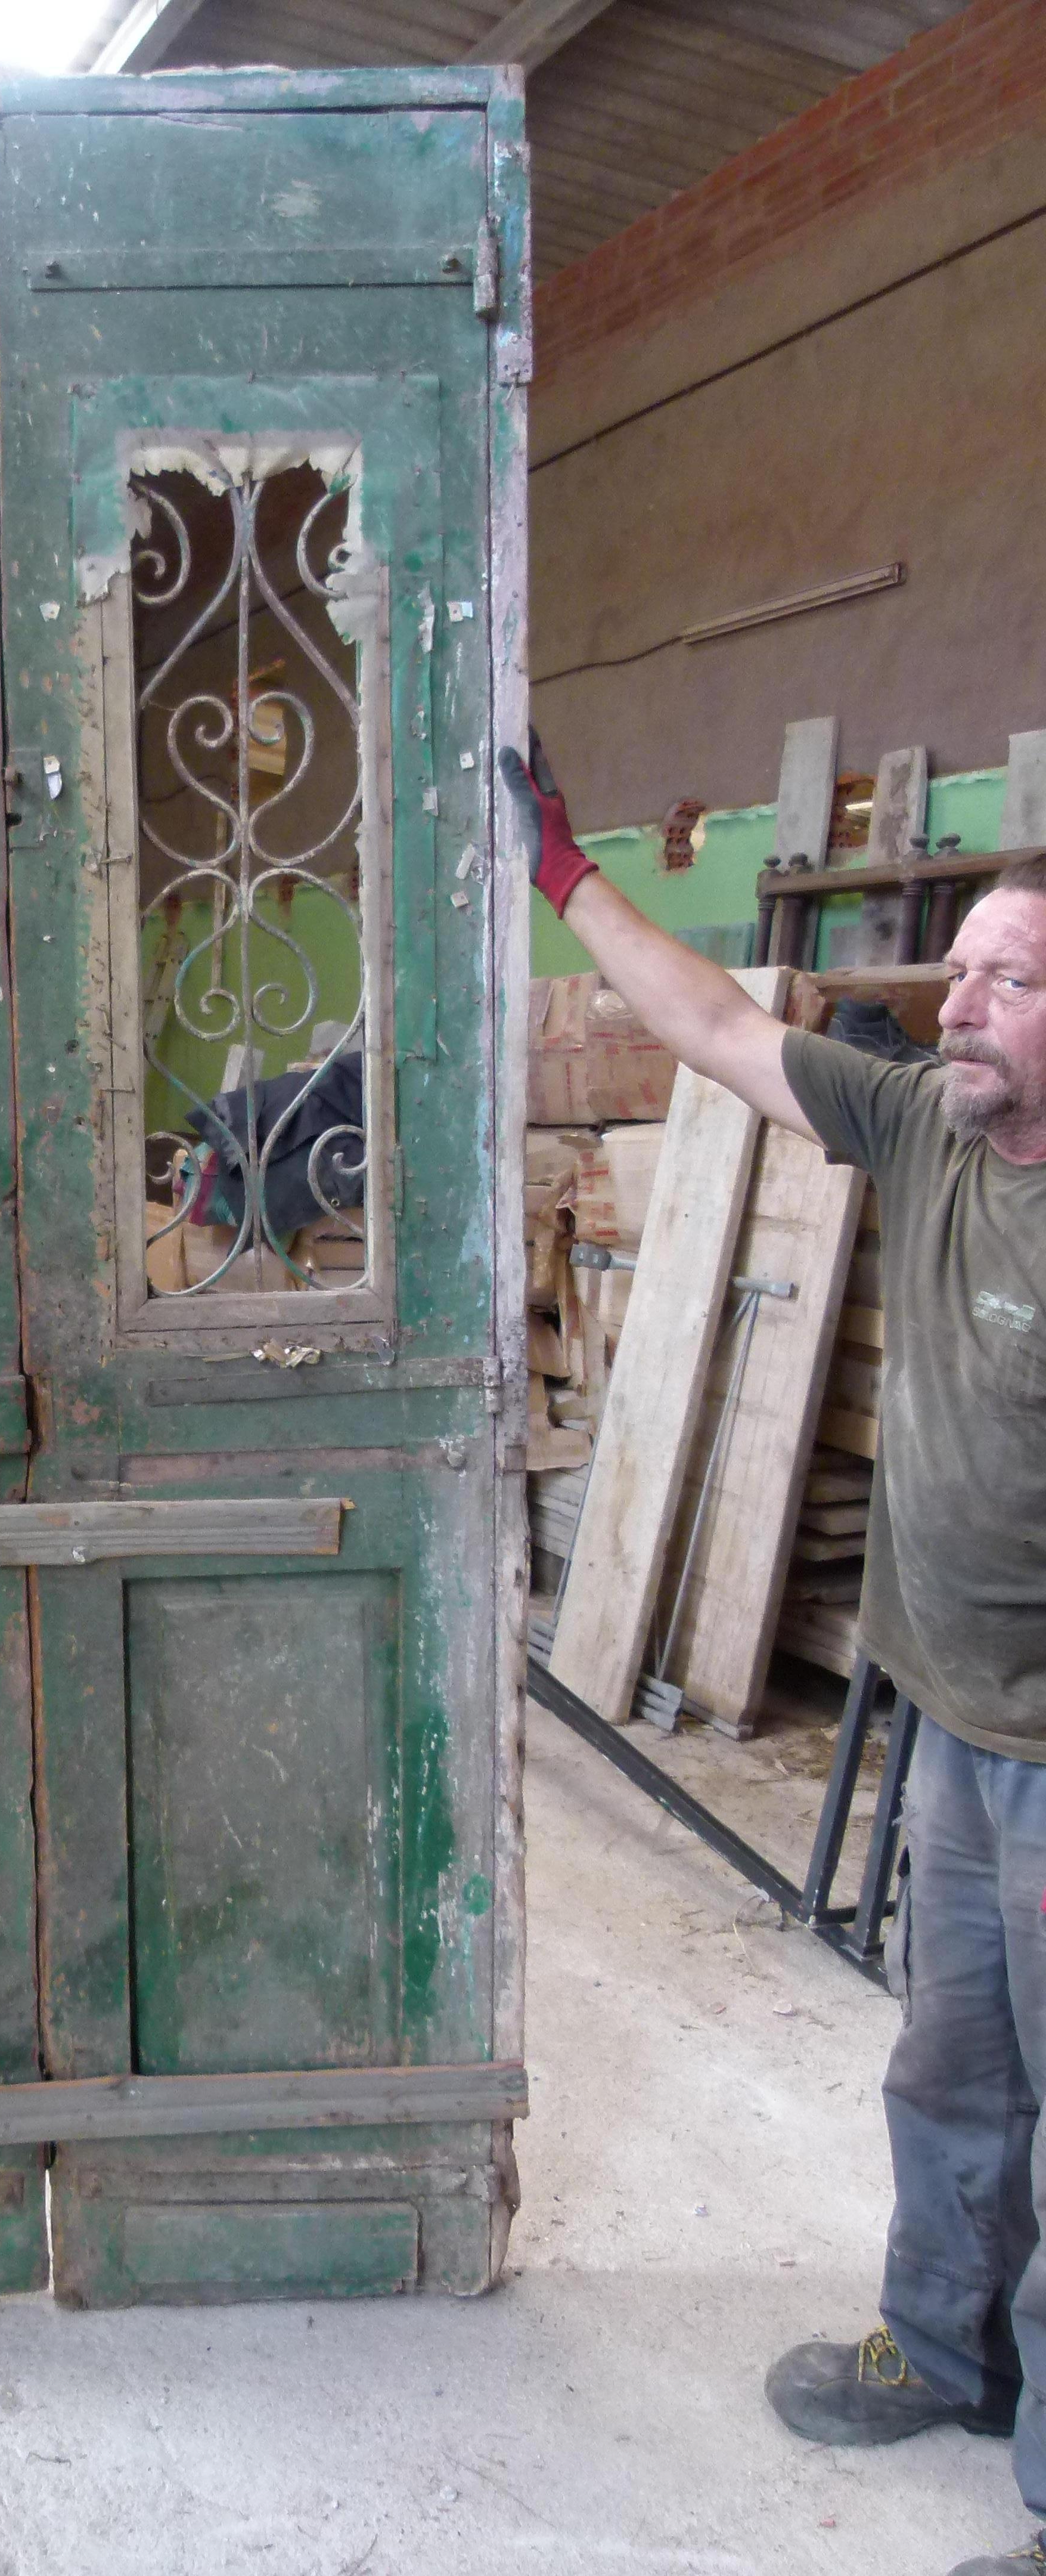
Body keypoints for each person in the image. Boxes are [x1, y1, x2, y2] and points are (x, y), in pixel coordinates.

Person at [504, 737, 1046, 2576]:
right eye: (960, 966)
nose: (955, 999)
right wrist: (564, 874)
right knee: (951, 2073)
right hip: (947, 1735)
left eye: (1004, 977)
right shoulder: (927, 1123)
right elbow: (724, 1031)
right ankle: (953, 2352)